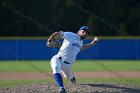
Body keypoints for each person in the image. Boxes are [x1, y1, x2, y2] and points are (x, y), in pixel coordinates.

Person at [47, 26, 99, 93]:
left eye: (86, 33)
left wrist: (91, 44)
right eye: (83, 31)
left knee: (69, 77)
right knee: (56, 68)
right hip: (58, 59)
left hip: (68, 65)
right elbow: (57, 33)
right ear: (79, 31)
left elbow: (81, 48)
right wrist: (50, 39)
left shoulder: (81, 42)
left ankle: (72, 77)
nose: (85, 33)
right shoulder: (70, 35)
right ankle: (61, 88)